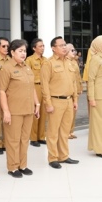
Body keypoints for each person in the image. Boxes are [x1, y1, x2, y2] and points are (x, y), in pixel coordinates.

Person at [0, 39, 40, 178]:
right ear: (12, 52)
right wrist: (6, 111)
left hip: (28, 109)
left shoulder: (26, 67)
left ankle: (23, 165)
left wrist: (37, 104)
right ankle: (13, 167)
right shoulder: (6, 68)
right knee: (13, 140)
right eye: (20, 51)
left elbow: (31, 87)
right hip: (14, 110)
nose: (23, 53)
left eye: (24, 51)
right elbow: (2, 91)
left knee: (24, 139)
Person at [41, 36, 79, 169]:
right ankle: (53, 158)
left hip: (68, 101)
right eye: (61, 45)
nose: (64, 47)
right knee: (53, 131)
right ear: (53, 48)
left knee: (65, 131)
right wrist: (48, 103)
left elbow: (73, 82)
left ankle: (64, 156)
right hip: (56, 101)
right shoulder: (48, 63)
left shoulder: (69, 62)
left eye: (65, 45)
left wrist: (75, 99)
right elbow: (44, 85)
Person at [25, 38, 47, 147]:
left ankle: (41, 136)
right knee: (35, 113)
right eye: (40, 46)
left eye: (43, 46)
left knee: (44, 112)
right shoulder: (29, 60)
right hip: (35, 87)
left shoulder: (46, 60)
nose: (42, 48)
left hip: (45, 88)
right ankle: (33, 138)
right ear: (34, 48)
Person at [66, 43, 82, 139]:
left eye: (74, 50)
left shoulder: (74, 61)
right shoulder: (65, 61)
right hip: (69, 91)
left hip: (76, 90)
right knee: (69, 113)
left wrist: (80, 88)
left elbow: (78, 76)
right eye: (72, 50)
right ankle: (66, 131)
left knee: (74, 112)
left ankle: (71, 131)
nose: (74, 52)